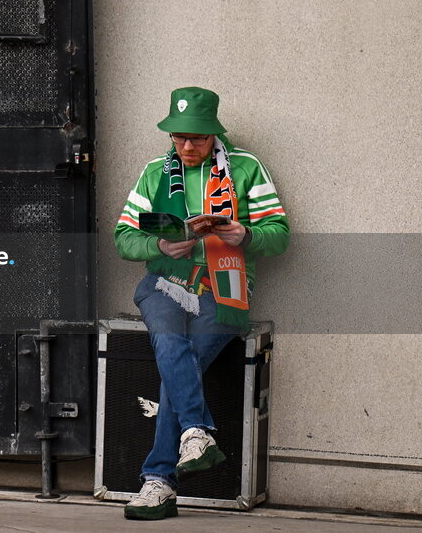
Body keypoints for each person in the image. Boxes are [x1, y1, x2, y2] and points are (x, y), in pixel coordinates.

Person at [114, 87, 289, 520]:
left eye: (197, 137)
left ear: (214, 134)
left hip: (223, 287)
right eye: (178, 137)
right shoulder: (155, 172)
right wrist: (158, 243)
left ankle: (158, 481)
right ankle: (195, 435)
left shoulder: (246, 169)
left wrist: (245, 236)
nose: (187, 146)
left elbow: (281, 233)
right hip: (163, 282)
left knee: (180, 357)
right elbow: (123, 237)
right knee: (173, 343)